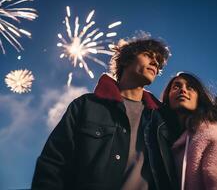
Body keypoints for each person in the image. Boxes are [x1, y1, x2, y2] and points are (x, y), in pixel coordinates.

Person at [31, 37, 178, 190]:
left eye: (158, 61)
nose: (155, 63)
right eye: (148, 55)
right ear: (126, 60)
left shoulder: (161, 119)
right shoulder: (86, 105)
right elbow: (53, 163)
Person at [162, 72, 217, 190]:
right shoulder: (167, 140)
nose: (183, 90)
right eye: (176, 87)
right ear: (167, 96)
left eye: (190, 87)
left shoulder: (214, 132)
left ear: (199, 97)